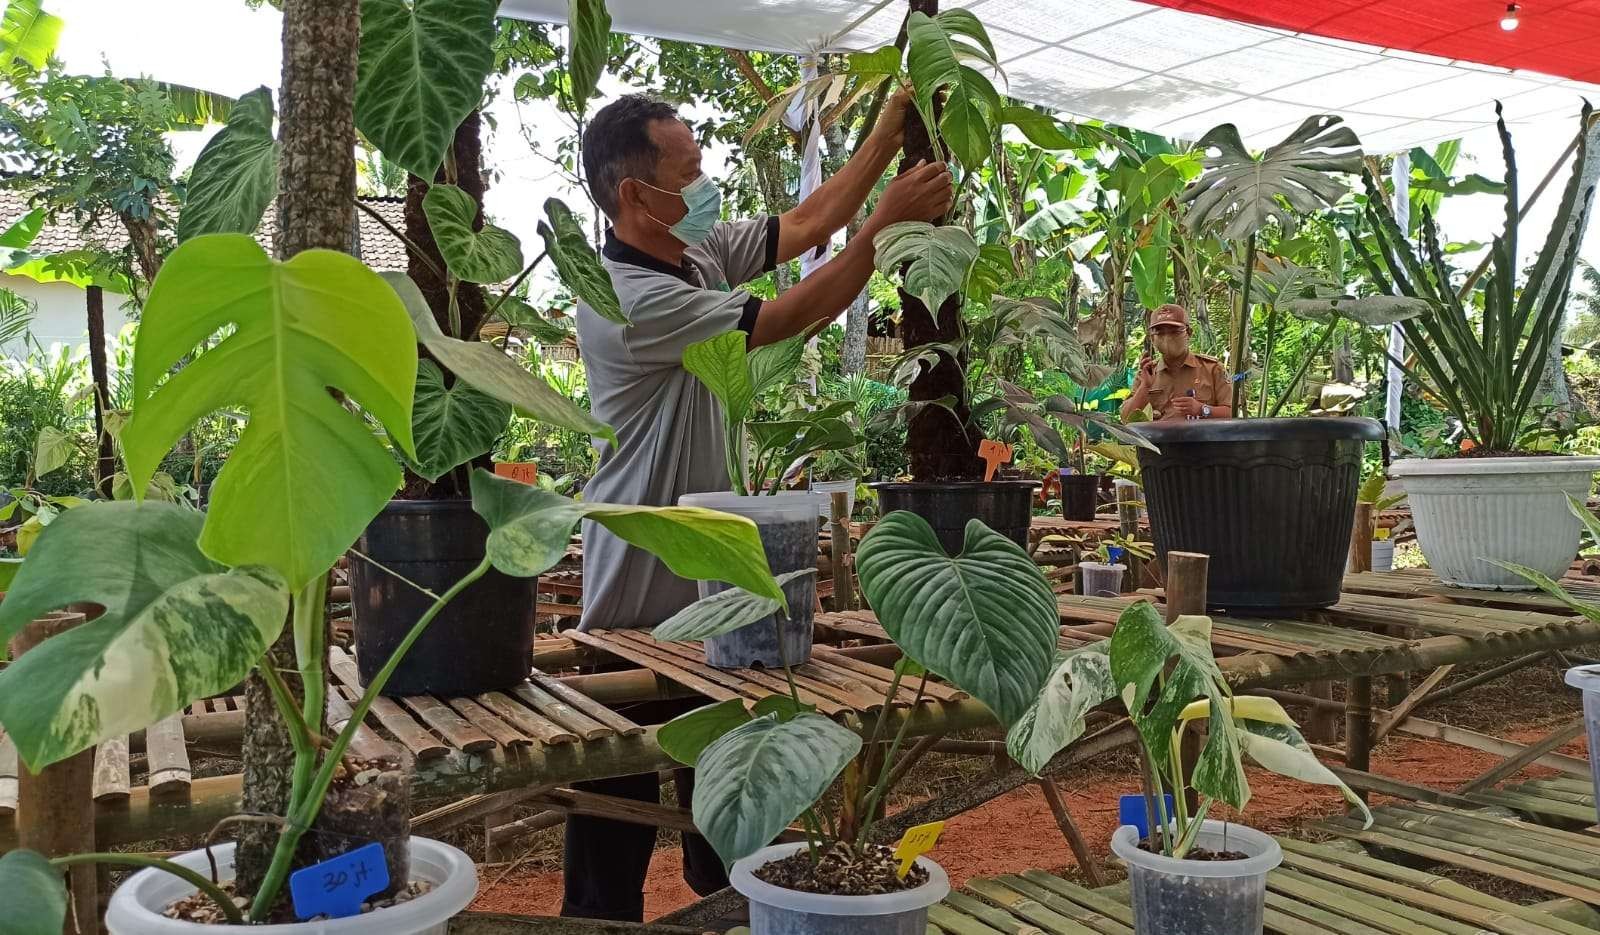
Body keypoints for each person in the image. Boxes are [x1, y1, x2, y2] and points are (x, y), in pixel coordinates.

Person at [563, 91, 952, 922]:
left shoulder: (691, 250)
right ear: (635, 194)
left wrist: (886, 131)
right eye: (690, 172)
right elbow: (790, 312)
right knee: (611, 830)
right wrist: (887, 223)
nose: (706, 186)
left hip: (712, 597)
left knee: (736, 826)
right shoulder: (625, 297)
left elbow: (806, 222)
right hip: (635, 595)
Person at [1119, 304, 1233, 423]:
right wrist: (1144, 387)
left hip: (1202, 440)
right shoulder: (1148, 372)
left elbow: (1232, 412)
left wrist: (1202, 409)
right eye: (1160, 333)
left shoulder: (1212, 369)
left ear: (1188, 333)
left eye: (1174, 331)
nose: (1167, 338)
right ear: (1152, 339)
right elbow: (1126, 418)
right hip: (1158, 441)